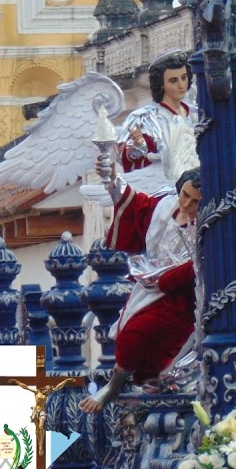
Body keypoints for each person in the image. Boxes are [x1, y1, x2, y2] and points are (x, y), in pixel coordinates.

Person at [81, 162, 201, 413]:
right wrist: (113, 180)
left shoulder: (207, 225)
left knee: (143, 333)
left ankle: (115, 386)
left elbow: (201, 264)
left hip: (180, 297)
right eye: (185, 195)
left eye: (195, 201)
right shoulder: (165, 207)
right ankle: (140, 384)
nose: (186, 205)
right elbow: (136, 206)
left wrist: (171, 279)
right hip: (148, 284)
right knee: (131, 336)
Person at [119, 50, 195, 172]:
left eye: (184, 78)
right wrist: (138, 145)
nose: (181, 85)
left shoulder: (197, 114)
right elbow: (131, 161)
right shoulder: (146, 118)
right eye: (173, 80)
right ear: (161, 84)